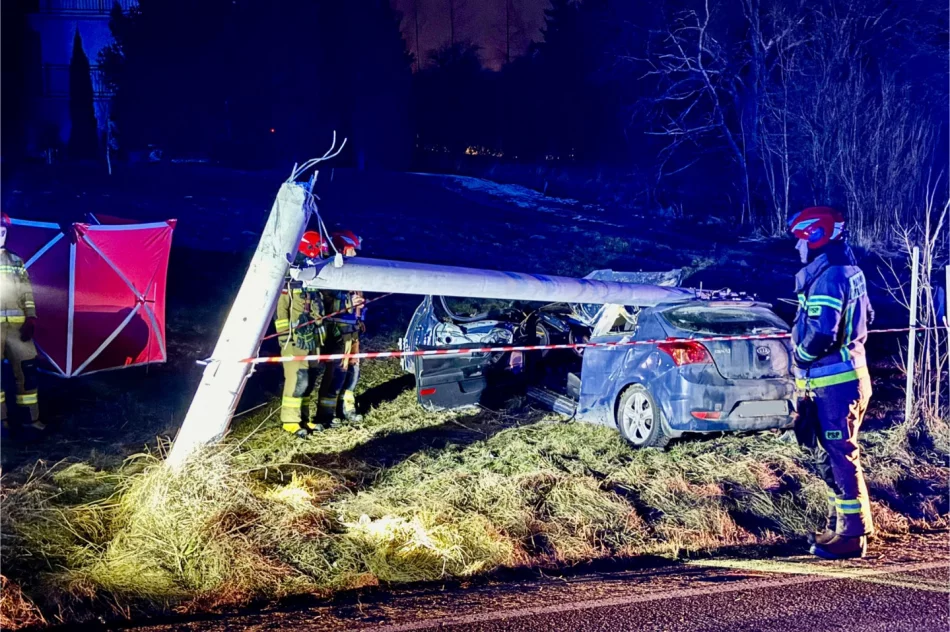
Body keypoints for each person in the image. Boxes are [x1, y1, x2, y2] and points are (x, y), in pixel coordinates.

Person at [789, 206, 874, 559]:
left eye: (801, 240)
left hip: (834, 384)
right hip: (847, 379)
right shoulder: (849, 270)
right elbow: (868, 315)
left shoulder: (829, 277)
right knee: (836, 455)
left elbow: (822, 331)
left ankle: (852, 537)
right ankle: (843, 525)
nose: (798, 247)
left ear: (817, 237)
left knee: (840, 456)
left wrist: (800, 357)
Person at [274, 231, 328, 438]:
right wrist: (284, 338)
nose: (321, 253)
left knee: (309, 379)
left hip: (312, 340)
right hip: (295, 341)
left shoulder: (312, 280)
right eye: (319, 248)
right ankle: (290, 421)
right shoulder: (290, 279)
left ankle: (304, 419)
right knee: (297, 379)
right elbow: (281, 311)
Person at [316, 230, 366, 426]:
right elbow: (325, 304)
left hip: (353, 330)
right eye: (352, 249)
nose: (355, 253)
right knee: (337, 372)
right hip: (338, 331)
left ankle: (348, 408)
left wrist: (359, 316)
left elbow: (359, 298)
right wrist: (348, 303)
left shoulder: (354, 272)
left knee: (353, 370)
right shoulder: (330, 272)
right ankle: (326, 414)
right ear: (342, 249)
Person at [0, 214, 42, 434]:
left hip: (18, 329)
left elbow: (26, 292)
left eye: (3, 231)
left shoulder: (16, 261)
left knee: (28, 371)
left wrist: (31, 317)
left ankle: (30, 421)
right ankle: (1, 423)